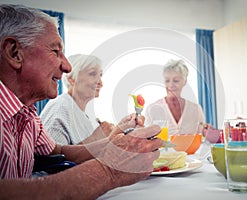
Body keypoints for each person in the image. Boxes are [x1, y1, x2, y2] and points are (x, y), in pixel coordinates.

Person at [0, 4, 162, 199]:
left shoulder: (28, 113)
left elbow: (59, 151)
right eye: (55, 51)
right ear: (14, 52)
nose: (67, 66)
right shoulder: (59, 108)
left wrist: (115, 143)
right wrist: (109, 170)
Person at [40, 54, 114, 145]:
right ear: (71, 79)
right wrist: (97, 137)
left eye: (100, 75)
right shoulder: (60, 109)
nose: (100, 83)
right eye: (92, 74)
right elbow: (53, 157)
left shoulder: (82, 113)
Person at [145, 59, 209, 136]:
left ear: (184, 82)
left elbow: (202, 137)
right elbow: (147, 140)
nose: (171, 85)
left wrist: (209, 132)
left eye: (176, 81)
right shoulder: (152, 109)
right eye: (167, 81)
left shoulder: (196, 109)